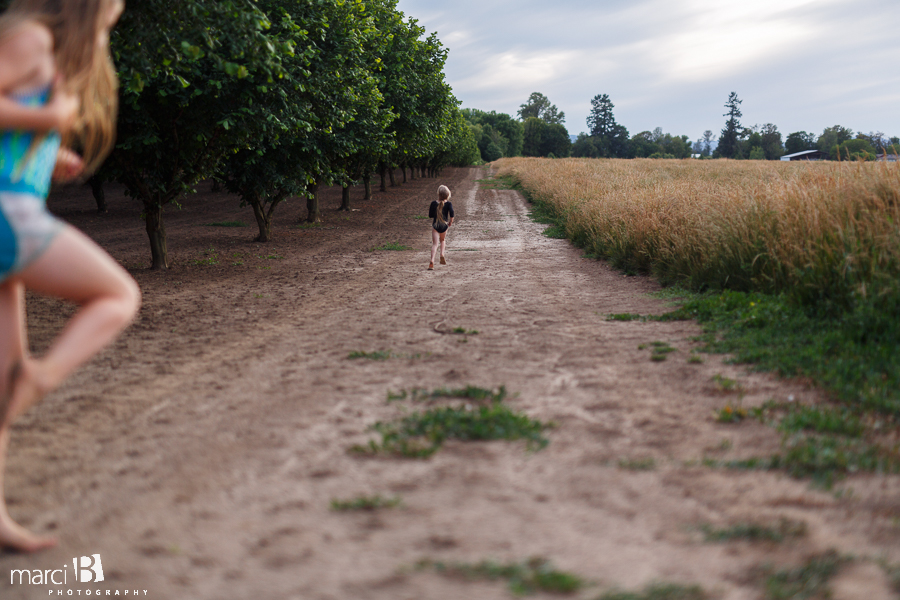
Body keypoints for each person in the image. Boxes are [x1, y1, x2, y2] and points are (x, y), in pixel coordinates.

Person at [0, 0, 140, 552]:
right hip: (8, 214)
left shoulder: (49, 50)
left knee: (1, 381)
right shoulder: (31, 38)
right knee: (117, 294)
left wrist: (49, 150)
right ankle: (43, 379)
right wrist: (47, 121)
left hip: (14, 210)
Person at [427, 185, 454, 270]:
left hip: (436, 225)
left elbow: (430, 215)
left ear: (438, 194)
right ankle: (442, 254)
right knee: (442, 240)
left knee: (435, 244)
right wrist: (450, 221)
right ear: (447, 194)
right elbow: (452, 213)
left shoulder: (433, 203)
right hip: (444, 225)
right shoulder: (449, 204)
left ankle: (432, 261)